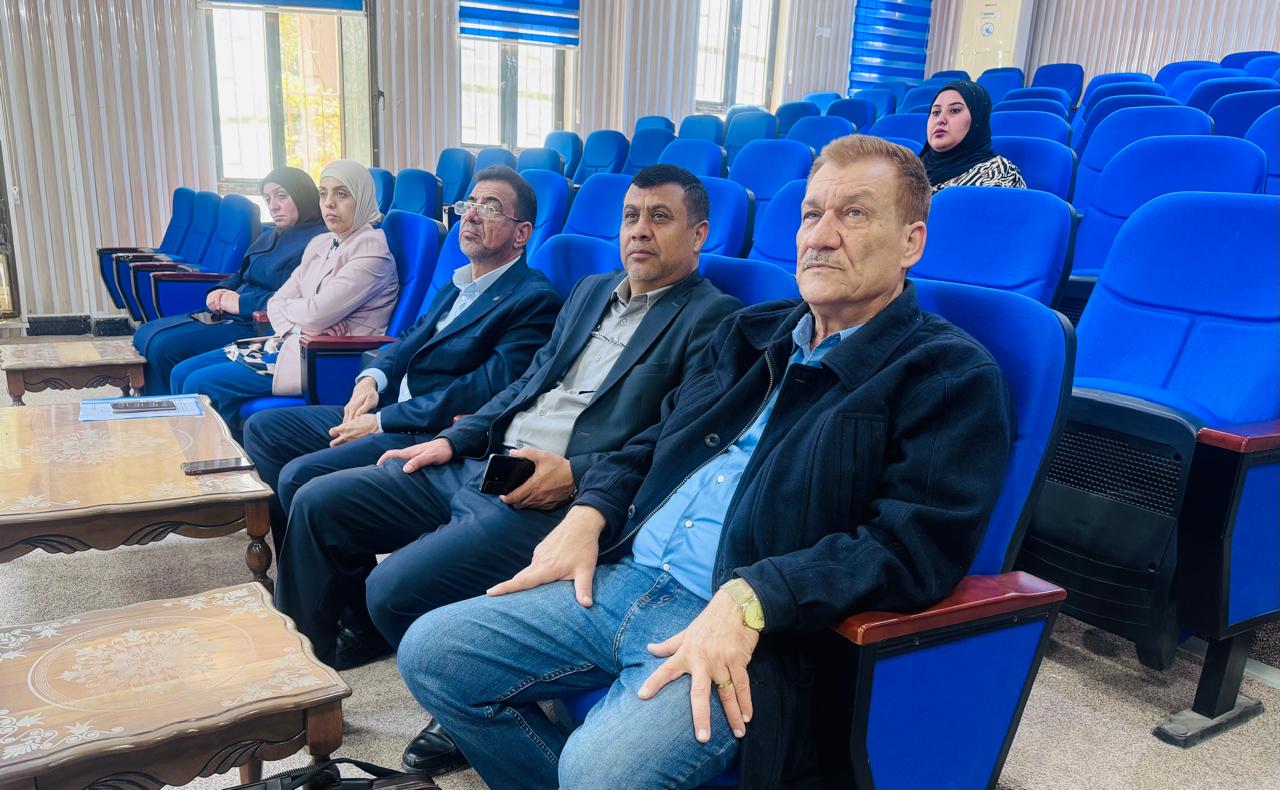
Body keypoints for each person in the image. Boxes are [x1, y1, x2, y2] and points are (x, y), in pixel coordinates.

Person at [396, 135, 1015, 789]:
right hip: (623, 575)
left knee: (597, 772)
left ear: (912, 242)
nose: (821, 236)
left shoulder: (948, 373)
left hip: (743, 624)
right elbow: (654, 441)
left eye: (854, 214)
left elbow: (911, 547)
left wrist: (756, 595)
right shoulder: (750, 333)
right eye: (811, 214)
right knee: (431, 654)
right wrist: (590, 511)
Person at [271, 164, 742, 751]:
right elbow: (527, 384)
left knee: (391, 591)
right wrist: (454, 440)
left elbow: (679, 440)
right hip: (487, 458)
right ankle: (299, 693)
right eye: (630, 216)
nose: (639, 230)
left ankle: (469, 691)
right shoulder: (591, 291)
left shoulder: (714, 317)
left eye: (660, 217)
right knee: (318, 502)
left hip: (554, 494)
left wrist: (577, 475)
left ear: (698, 234)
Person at [241, 166, 563, 560]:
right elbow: (411, 336)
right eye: (469, 204)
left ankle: (329, 589)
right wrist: (372, 378)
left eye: (489, 208)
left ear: (522, 233)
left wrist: (381, 421)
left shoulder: (533, 299)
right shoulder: (461, 283)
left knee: (300, 478)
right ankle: (309, 567)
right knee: (265, 430)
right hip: (390, 406)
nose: (471, 216)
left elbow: (483, 388)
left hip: (426, 429)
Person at [171, 161, 399, 425]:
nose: (329, 203)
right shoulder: (321, 242)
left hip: (325, 360)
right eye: (323, 193)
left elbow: (314, 313)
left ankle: (211, 450)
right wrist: (303, 321)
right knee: (181, 372)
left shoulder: (372, 252)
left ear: (362, 199)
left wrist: (303, 314)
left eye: (341, 194)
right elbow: (276, 302)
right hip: (287, 344)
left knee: (197, 383)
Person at [133, 168, 325, 395]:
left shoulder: (318, 242)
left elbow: (298, 301)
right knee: (145, 333)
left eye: (281, 196)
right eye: (268, 198)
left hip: (259, 325)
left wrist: (240, 303)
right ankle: (156, 407)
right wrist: (219, 290)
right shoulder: (270, 235)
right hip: (228, 315)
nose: (273, 206)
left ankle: (171, 410)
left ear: (303, 196)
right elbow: (240, 273)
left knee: (163, 347)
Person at [920, 80, 1026, 193]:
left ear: (977, 119)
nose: (940, 120)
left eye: (955, 110)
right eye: (936, 112)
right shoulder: (912, 168)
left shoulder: (996, 173)